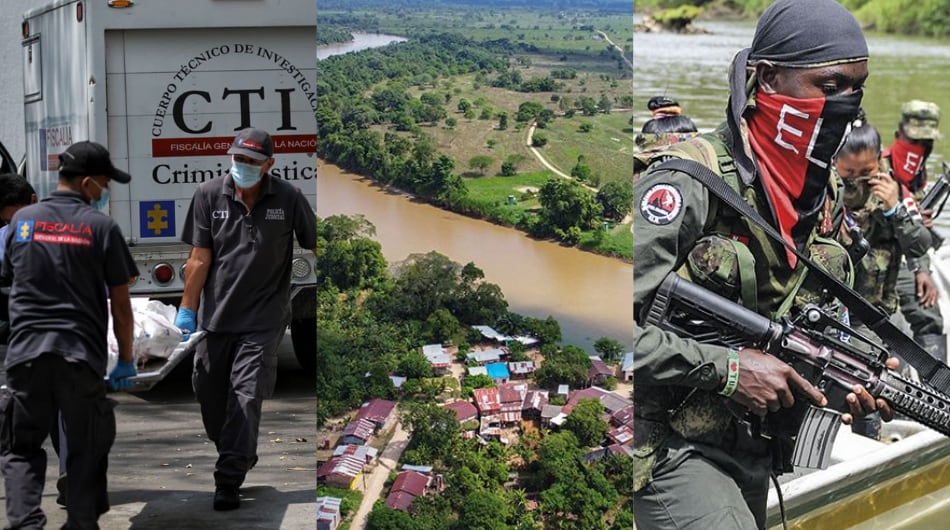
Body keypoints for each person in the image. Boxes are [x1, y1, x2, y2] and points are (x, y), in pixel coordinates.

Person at [633, 1, 893, 528]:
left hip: (754, 448)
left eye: (856, 89)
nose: (846, 105)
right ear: (768, 77)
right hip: (668, 447)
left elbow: (808, 317)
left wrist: (857, 370)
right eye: (830, 86)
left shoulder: (821, 194)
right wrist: (731, 369)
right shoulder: (687, 182)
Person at [174, 127, 316, 511]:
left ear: (269, 164)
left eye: (252, 161)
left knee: (245, 394)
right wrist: (187, 311)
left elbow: (318, 240)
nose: (243, 166)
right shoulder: (208, 194)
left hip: (264, 320)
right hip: (215, 319)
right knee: (208, 393)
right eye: (238, 158)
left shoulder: (288, 198)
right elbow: (199, 258)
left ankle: (228, 479)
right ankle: (238, 450)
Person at [0, 141, 138, 529]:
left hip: (25, 357)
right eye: (105, 183)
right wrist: (126, 359)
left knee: (22, 448)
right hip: (79, 357)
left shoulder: (21, 223)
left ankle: (26, 524)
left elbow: (11, 279)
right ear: (89, 182)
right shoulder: (101, 227)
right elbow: (121, 306)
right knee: (86, 448)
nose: (105, 190)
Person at [833, 115, 933, 439]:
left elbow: (920, 242)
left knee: (894, 383)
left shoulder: (892, 189)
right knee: (862, 387)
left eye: (866, 172)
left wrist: (894, 209)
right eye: (849, 173)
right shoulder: (826, 192)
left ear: (879, 160)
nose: (858, 182)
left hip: (883, 309)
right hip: (846, 312)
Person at [885, 100, 947, 361]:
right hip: (875, 255)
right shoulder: (878, 168)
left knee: (928, 313)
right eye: (914, 141)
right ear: (899, 134)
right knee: (885, 322)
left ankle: (938, 382)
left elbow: (916, 237)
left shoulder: (917, 178)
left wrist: (921, 268)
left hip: (907, 259)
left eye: (925, 143)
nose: (919, 148)